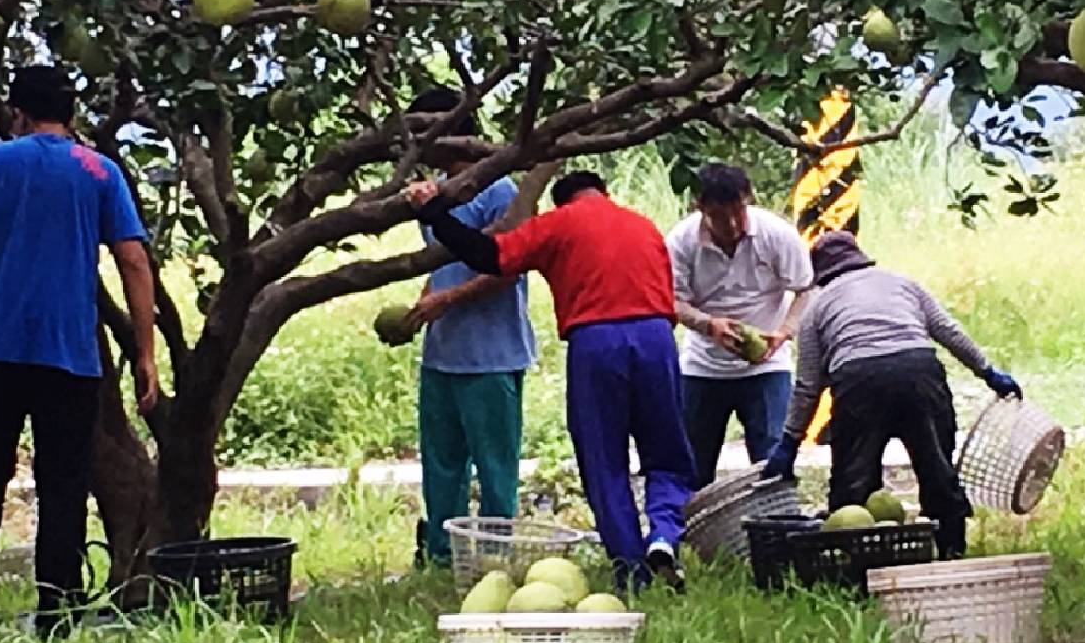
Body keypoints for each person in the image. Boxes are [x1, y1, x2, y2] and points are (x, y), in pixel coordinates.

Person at [0, 65, 159, 635]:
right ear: (71, 115)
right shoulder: (99, 171)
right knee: (63, 480)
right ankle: (57, 606)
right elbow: (133, 261)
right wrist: (146, 353)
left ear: (17, 114)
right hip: (69, 351)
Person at [406, 169, 696, 590]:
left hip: (596, 340)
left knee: (604, 460)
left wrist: (435, 214)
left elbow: (490, 256)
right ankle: (665, 535)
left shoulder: (558, 224)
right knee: (667, 453)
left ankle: (631, 568)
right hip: (656, 337)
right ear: (605, 193)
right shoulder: (643, 224)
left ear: (563, 200)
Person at [760, 231, 1020, 560]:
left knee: (854, 480)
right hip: (918, 372)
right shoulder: (902, 284)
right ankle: (952, 549)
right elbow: (949, 332)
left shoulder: (818, 306)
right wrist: (988, 372)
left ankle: (857, 558)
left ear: (821, 275)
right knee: (936, 465)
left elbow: (808, 385)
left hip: (859, 381)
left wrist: (789, 442)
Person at [401, 89, 537, 569]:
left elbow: (506, 269)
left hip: (492, 355)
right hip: (444, 354)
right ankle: (443, 555)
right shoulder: (432, 192)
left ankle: (497, 559)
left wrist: (448, 299)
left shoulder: (498, 192)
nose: (423, 139)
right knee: (441, 465)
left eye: (431, 128)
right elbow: (445, 263)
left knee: (495, 467)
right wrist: (425, 300)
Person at [667, 163, 814, 487]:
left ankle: (777, 529)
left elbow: (807, 289)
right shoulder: (680, 242)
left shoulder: (777, 235)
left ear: (748, 199)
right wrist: (708, 325)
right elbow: (671, 301)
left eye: (738, 213)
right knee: (693, 465)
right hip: (702, 367)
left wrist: (783, 333)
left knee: (772, 459)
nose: (732, 225)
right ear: (700, 208)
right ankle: (698, 532)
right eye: (720, 216)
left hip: (767, 366)